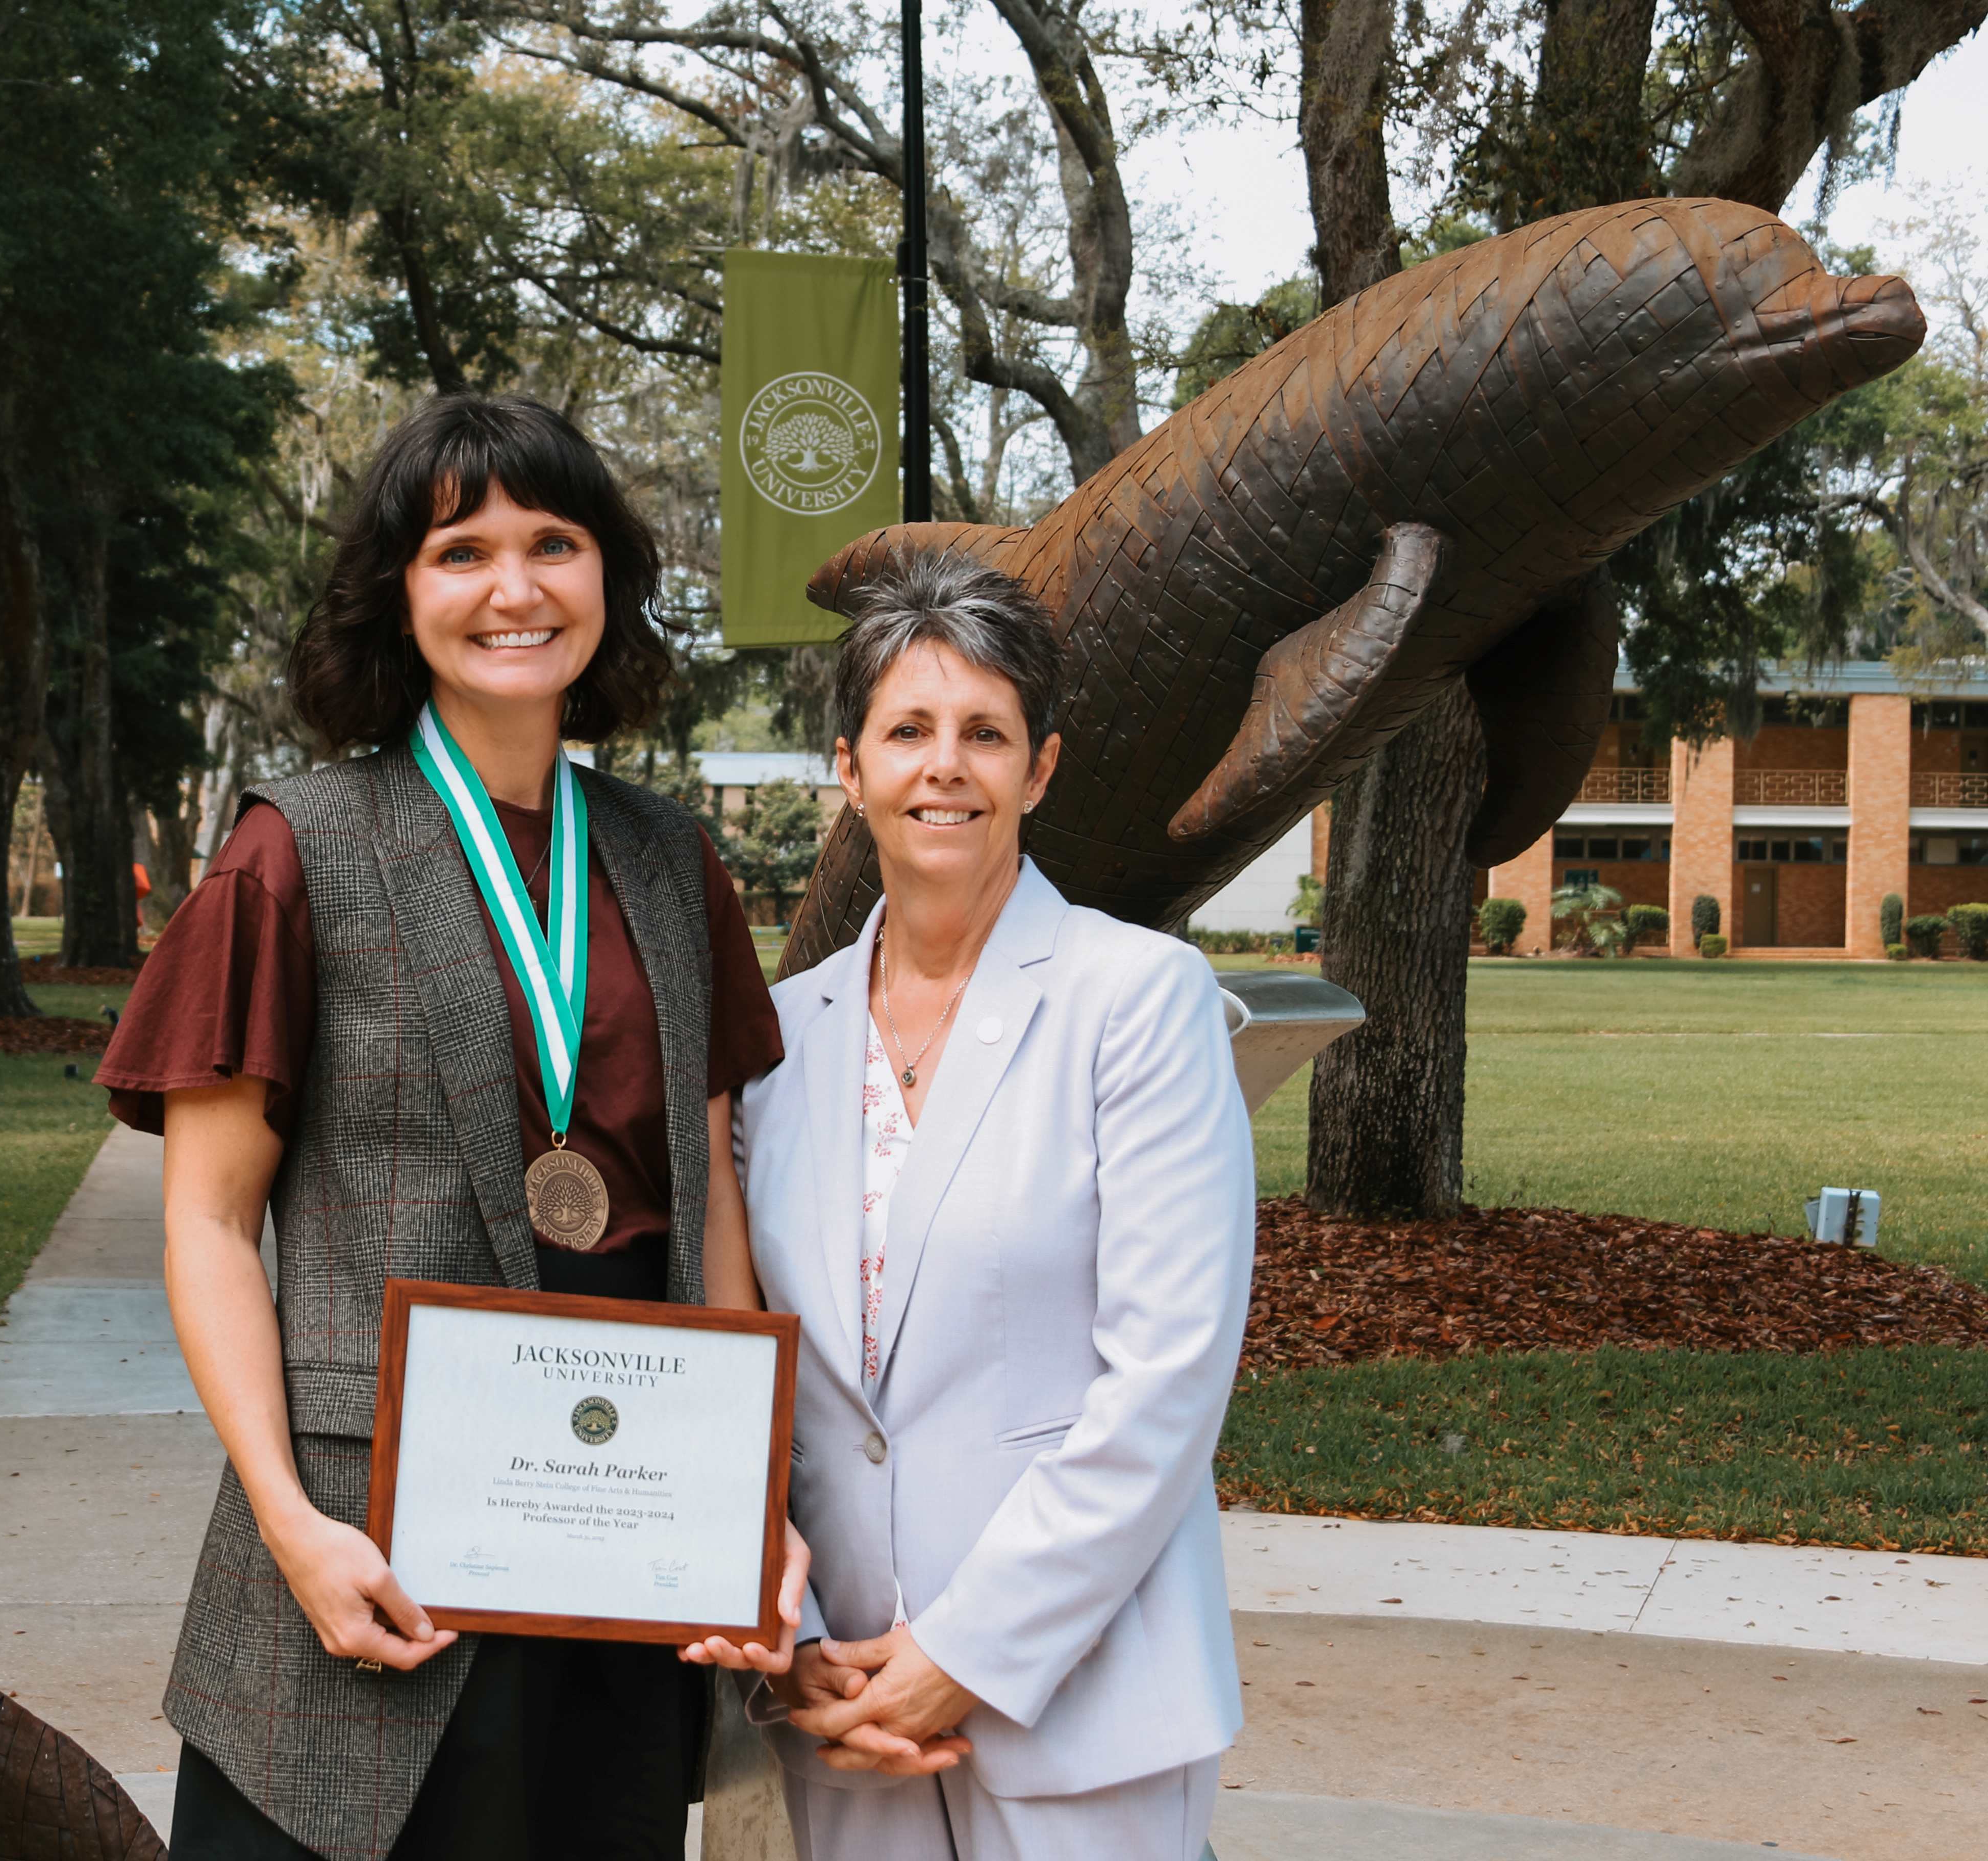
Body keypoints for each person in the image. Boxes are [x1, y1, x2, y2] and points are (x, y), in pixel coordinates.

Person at [93, 394, 796, 1861]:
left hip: (627, 1518)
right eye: (461, 551)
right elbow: (211, 1224)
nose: (516, 589)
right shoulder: (297, 847)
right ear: (399, 596)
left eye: (555, 543)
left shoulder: (671, 862)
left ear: (609, 576)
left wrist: (751, 1501)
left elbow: (712, 1193)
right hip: (375, 1540)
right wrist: (293, 1525)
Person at [721, 548, 1255, 1860]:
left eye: (985, 734)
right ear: (849, 770)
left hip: (1083, 1700)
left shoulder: (1138, 1000)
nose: (944, 766)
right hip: (847, 1702)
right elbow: (757, 1381)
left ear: (1041, 767)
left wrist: (965, 1651)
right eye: (907, 731)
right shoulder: (779, 1044)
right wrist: (783, 1638)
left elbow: (1169, 1379)